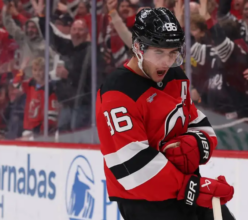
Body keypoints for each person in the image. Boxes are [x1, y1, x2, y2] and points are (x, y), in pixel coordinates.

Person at [96, 7, 235, 220]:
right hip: (145, 202)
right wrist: (194, 189)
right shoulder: (117, 91)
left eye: (173, 53)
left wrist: (194, 146)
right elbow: (132, 167)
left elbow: (199, 124)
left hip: (184, 189)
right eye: (158, 52)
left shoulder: (175, 76)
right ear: (137, 48)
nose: (167, 62)